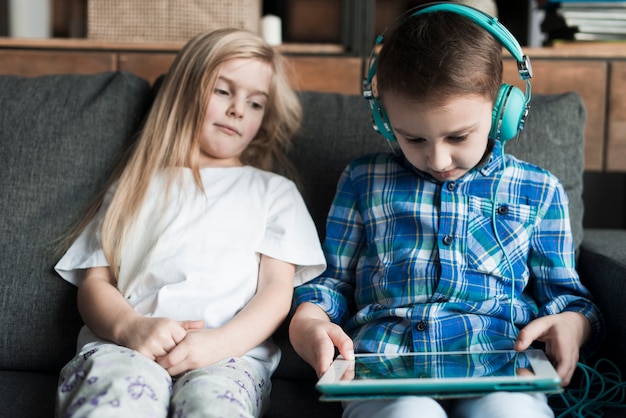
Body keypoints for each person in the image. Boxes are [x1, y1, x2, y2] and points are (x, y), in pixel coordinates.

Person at [289, 4, 603, 418]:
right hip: (386, 366)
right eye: (413, 138)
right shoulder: (363, 180)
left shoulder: (539, 189)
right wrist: (308, 322)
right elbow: (332, 282)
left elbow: (568, 298)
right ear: (385, 122)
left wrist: (571, 326)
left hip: (500, 362)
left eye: (458, 136)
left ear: (501, 112)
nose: (437, 159)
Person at [54, 28, 325, 418]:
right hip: (125, 347)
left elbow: (276, 292)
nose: (238, 110)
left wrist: (218, 344)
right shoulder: (134, 186)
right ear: (185, 90)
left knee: (211, 408)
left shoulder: (274, 192)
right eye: (223, 91)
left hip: (229, 357)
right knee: (113, 404)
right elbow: (95, 282)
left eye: (255, 103)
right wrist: (131, 328)